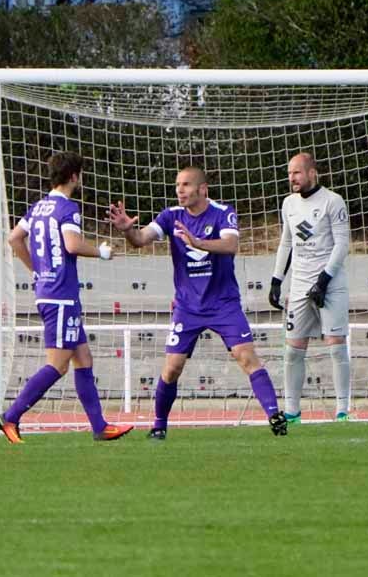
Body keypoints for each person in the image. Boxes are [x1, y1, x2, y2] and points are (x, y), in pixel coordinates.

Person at [109, 166, 288, 439]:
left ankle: (275, 415)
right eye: (178, 184)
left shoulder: (222, 212)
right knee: (172, 368)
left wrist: (197, 242)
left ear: (202, 189)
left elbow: (230, 246)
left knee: (246, 357)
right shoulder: (171, 216)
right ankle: (158, 426)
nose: (180, 189)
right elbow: (140, 240)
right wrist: (127, 230)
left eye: (186, 184)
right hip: (188, 307)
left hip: (223, 303)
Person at [0, 151, 133, 443]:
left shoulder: (37, 208)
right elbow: (71, 245)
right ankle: (10, 416)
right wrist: (101, 252)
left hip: (49, 291)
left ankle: (100, 426)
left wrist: (36, 269)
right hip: (61, 295)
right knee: (58, 365)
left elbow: (14, 238)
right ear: (74, 176)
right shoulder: (68, 208)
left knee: (83, 358)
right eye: (81, 174)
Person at [268, 152, 351, 423]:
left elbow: (341, 244)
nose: (292, 178)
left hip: (331, 284)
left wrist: (324, 280)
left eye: (297, 173)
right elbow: (287, 243)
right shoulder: (289, 204)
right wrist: (276, 280)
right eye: (290, 173)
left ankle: (342, 411)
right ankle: (292, 411)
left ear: (312, 173)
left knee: (336, 345)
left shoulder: (333, 201)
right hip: (301, 284)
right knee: (293, 349)